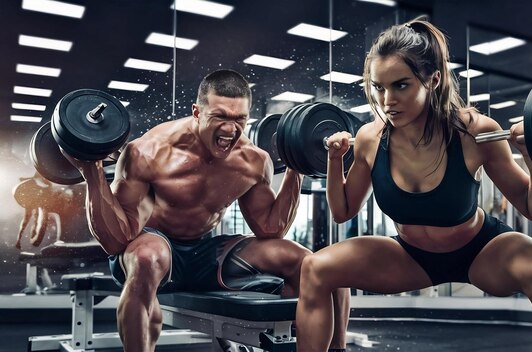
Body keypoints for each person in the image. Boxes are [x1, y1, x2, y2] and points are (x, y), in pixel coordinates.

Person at [296, 18, 532, 352]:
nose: (387, 100)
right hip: (411, 256)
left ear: (433, 79)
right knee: (316, 267)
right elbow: (343, 211)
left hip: (480, 251)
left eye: (400, 85)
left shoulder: (474, 132)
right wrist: (334, 161)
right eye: (379, 87)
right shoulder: (370, 139)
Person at [61, 69, 349, 352]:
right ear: (197, 112)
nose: (230, 129)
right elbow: (117, 241)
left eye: (239, 119)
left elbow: (270, 229)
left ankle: (333, 349)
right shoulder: (148, 152)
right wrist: (92, 171)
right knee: (147, 256)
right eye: (220, 116)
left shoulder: (253, 161)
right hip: (155, 248)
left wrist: (296, 169)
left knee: (306, 261)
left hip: (207, 253)